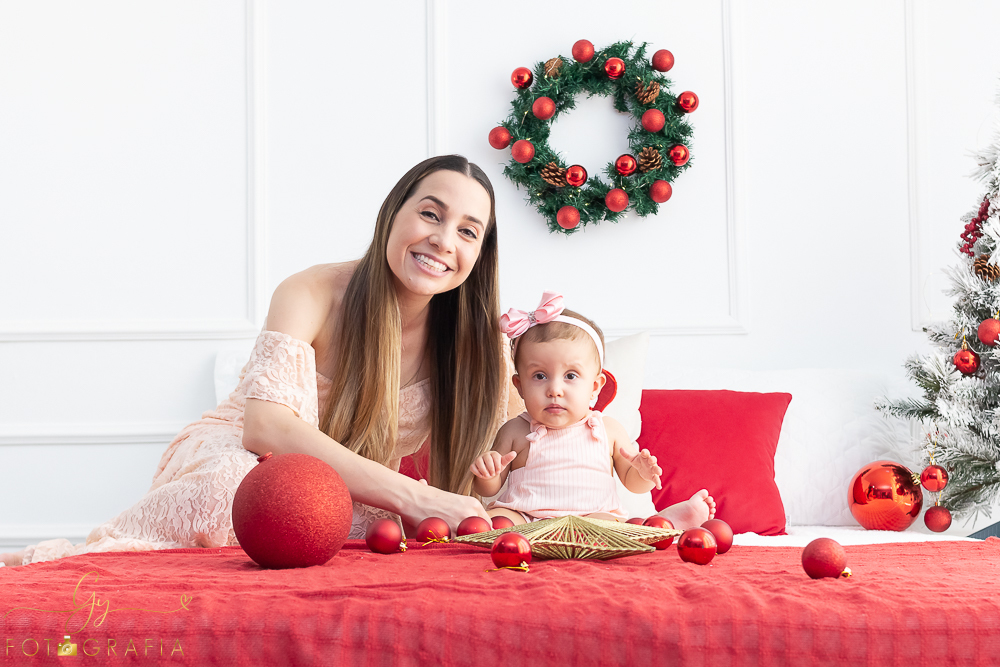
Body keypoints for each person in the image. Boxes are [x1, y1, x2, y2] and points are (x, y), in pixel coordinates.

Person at [1, 155, 519, 567]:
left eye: (468, 231)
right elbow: (267, 429)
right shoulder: (310, 290)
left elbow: (523, 447)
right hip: (240, 454)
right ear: (393, 213)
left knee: (315, 515)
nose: (443, 240)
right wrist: (414, 498)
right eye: (430, 213)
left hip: (342, 488)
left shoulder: (479, 343)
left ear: (479, 255)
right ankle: (56, 563)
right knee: (242, 489)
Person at [470, 291, 716, 527]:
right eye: (540, 375)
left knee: (610, 525)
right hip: (526, 520)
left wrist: (642, 474)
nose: (555, 389)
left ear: (595, 386)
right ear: (520, 386)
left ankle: (664, 524)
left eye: (571, 375)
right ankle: (658, 527)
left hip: (591, 521)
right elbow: (489, 489)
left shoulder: (608, 430)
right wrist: (488, 473)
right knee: (495, 520)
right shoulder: (514, 430)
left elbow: (631, 482)